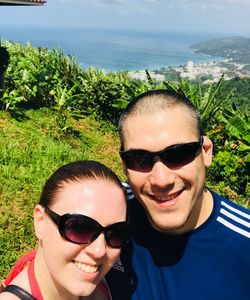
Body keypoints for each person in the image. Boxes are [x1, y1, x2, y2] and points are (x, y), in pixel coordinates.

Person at [106, 89, 250, 300]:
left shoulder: (243, 244)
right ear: (124, 166)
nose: (161, 180)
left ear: (206, 152)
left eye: (178, 154)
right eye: (139, 159)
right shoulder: (106, 212)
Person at [0, 160, 131, 300]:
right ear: (40, 221)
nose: (100, 251)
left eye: (116, 233)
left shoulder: (107, 282)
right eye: (80, 228)